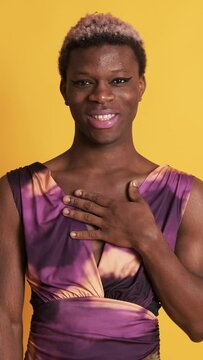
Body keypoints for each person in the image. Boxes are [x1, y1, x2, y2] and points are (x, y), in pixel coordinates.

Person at [0, 13, 203, 360]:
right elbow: (5, 319)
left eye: (119, 80)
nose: (101, 96)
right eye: (83, 82)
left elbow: (198, 325)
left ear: (141, 86)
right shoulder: (18, 192)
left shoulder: (185, 195)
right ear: (64, 89)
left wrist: (146, 237)